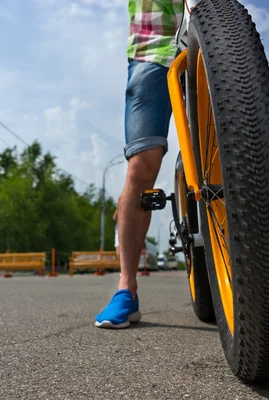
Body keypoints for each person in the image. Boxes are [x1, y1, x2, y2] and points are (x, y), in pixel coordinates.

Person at [95, 0, 184, 329]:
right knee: (139, 170)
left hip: (215, 41)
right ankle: (126, 289)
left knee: (232, 151)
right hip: (152, 49)